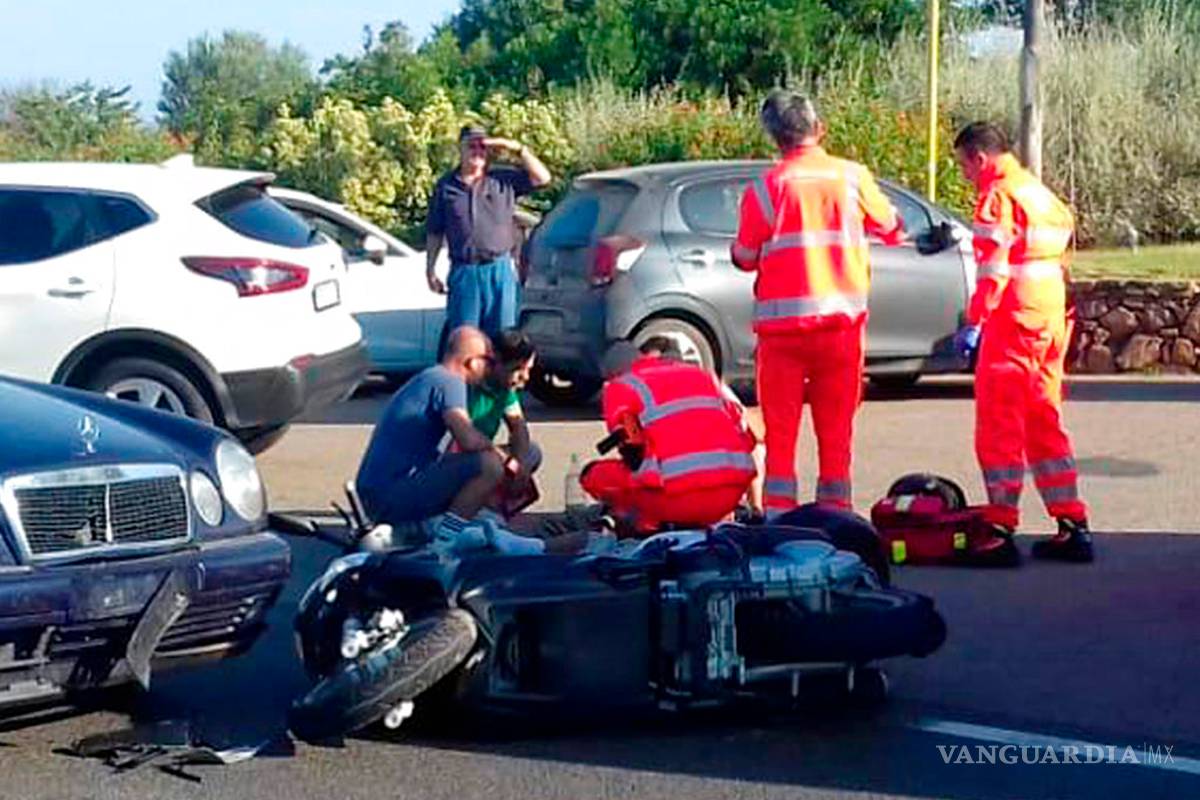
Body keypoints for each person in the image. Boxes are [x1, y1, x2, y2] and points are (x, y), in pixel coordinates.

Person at [731, 90, 906, 517]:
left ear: (776, 140)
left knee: (781, 435)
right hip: (839, 330)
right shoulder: (851, 178)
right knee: (836, 434)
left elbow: (744, 256)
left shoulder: (766, 188)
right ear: (819, 129)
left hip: (781, 334)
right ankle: (837, 515)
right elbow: (892, 228)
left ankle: (778, 517)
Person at [952, 122, 1092, 562]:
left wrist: (976, 320)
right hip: (1049, 317)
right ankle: (1071, 522)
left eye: (963, 166)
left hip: (1013, 319)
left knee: (999, 423)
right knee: (1043, 419)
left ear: (979, 157)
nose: (965, 176)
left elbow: (993, 267)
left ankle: (998, 528)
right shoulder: (1038, 192)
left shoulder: (999, 196)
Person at [355, 326, 576, 554]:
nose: (491, 366)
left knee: (519, 455)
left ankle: (456, 524)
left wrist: (515, 462)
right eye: (488, 361)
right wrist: (505, 461)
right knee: (489, 466)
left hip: (387, 489)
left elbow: (517, 428)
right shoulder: (450, 383)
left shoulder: (435, 378)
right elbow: (467, 440)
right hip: (389, 496)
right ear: (472, 362)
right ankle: (443, 542)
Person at [579, 340, 758, 535]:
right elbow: (747, 438)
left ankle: (643, 525)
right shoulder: (700, 375)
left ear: (611, 374)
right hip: (730, 494)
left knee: (594, 476)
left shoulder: (621, 387)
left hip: (676, 501)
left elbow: (633, 452)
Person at [426, 125, 552, 344]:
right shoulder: (446, 186)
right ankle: (468, 380)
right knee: (465, 340)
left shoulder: (502, 179)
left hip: (499, 270)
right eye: (471, 146)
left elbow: (543, 178)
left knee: (503, 341)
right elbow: (435, 231)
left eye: (482, 147)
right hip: (465, 272)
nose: (477, 152)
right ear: (460, 148)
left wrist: (517, 148)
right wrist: (430, 269)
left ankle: (498, 379)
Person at [467, 328, 542, 515]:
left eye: (528, 370)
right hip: (458, 456)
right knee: (492, 464)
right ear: (495, 363)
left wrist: (520, 464)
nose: (525, 378)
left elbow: (518, 427)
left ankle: (494, 509)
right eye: (517, 370)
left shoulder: (505, 389)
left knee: (531, 452)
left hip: (485, 455)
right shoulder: (467, 387)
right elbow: (463, 442)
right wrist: (509, 462)